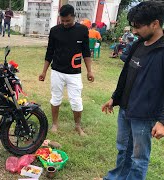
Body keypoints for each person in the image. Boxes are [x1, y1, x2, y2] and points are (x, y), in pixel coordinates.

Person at [102, 1, 164, 179]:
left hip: (145, 116)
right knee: (123, 150)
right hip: (125, 110)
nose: (134, 31)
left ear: (155, 23)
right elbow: (126, 74)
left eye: (138, 27)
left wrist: (162, 121)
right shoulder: (138, 44)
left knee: (138, 159)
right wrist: (115, 98)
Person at [39, 4, 94, 136]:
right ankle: (55, 124)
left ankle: (78, 126)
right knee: (56, 98)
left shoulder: (82, 30)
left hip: (74, 73)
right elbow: (49, 52)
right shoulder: (54, 31)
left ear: (74, 17)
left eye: (68, 21)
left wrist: (89, 71)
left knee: (76, 100)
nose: (65, 23)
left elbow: (86, 52)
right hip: (57, 71)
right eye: (62, 20)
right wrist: (44, 71)